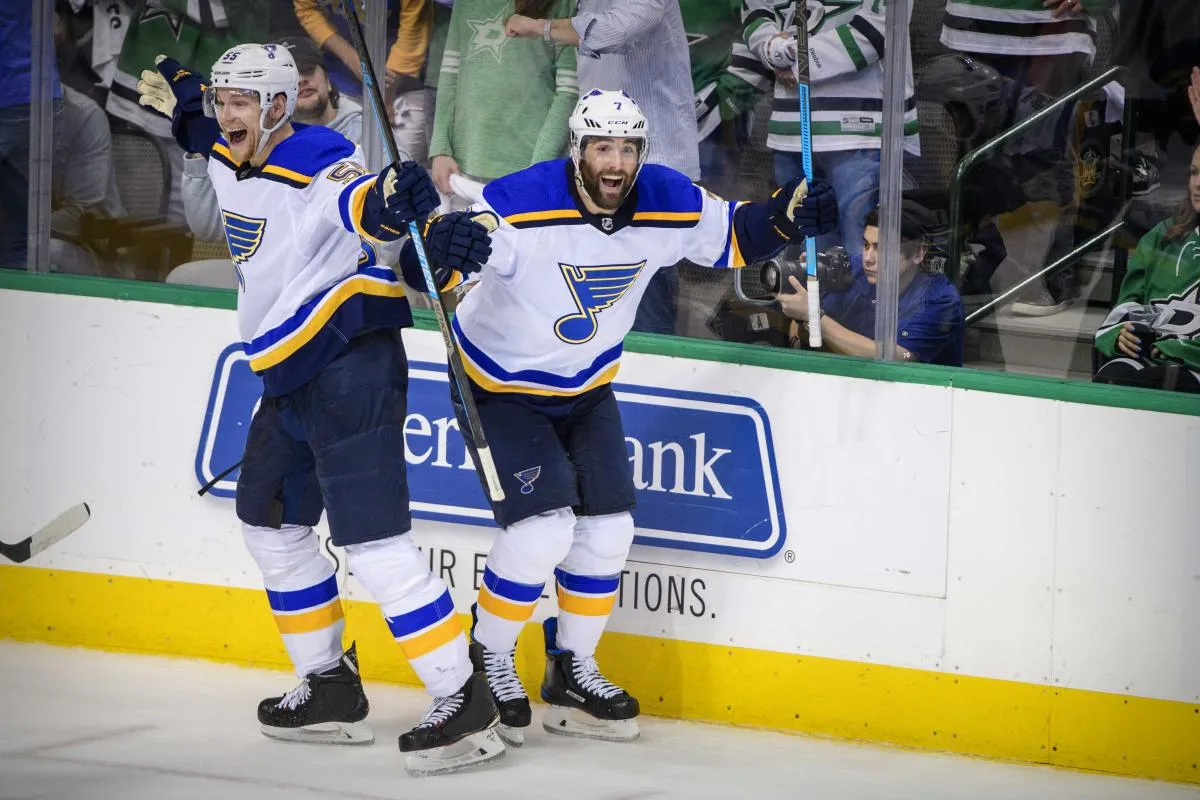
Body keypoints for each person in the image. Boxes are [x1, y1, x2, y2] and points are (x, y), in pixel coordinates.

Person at [397, 89, 837, 746]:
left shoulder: (668, 198)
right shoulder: (519, 202)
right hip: (497, 384)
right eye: (603, 147)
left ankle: (570, 670)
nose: (616, 162)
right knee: (544, 529)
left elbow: (733, 239)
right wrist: (435, 249)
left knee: (608, 529)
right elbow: (429, 266)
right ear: (578, 150)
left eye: (628, 149)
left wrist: (786, 217)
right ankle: (487, 657)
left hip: (587, 387)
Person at [136, 43, 504, 775]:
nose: (228, 113)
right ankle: (329, 683)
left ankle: (462, 696)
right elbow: (191, 126)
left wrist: (393, 203)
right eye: (224, 98)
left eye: (245, 100)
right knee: (269, 523)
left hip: (350, 363)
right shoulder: (218, 140)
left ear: (279, 105)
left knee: (372, 544)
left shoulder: (317, 157)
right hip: (287, 375)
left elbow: (359, 199)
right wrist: (184, 85)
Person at [504, 0, 701, 336]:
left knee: (646, 303)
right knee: (602, 303)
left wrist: (540, 27)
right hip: (599, 171)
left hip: (653, 167)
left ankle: (649, 379)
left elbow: (615, 30)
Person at [741, 0, 919, 262]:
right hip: (792, 128)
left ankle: (853, 304)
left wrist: (797, 57)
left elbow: (879, 28)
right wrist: (773, 49)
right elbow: (757, 10)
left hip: (858, 129)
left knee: (862, 253)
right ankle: (817, 304)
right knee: (805, 257)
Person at [181, 36, 364, 245]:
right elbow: (209, 227)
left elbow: (385, 240)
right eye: (289, 78)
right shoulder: (249, 140)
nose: (301, 80)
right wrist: (201, 146)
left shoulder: (367, 136)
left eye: (308, 69)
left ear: (328, 80)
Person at [777, 204, 965, 366]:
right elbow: (803, 318)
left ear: (918, 252)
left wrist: (813, 317)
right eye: (866, 245)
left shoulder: (940, 301)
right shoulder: (854, 267)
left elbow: (897, 358)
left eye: (881, 248)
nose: (868, 258)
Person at [427, 0, 578, 197]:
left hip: (530, 168)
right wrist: (441, 149)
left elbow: (568, 91)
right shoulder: (465, 4)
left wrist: (539, 166)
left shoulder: (563, 4)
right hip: (463, 169)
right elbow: (450, 75)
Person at [1094, 143, 1200, 393]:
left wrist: (1178, 348)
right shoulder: (1161, 236)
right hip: (1148, 360)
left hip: (1190, 368)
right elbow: (1129, 304)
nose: (1197, 184)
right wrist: (1123, 332)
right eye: (1195, 172)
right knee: (1112, 379)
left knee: (1163, 382)